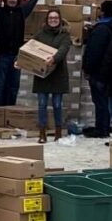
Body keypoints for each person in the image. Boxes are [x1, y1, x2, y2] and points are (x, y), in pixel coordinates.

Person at [31, 10, 72, 143]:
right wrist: (18, 60)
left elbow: (63, 50)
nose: (53, 20)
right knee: (42, 104)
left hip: (58, 75)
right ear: (47, 19)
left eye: (55, 18)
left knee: (57, 104)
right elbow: (28, 48)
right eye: (50, 17)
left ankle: (58, 132)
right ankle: (42, 133)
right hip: (42, 75)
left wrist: (53, 59)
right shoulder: (40, 34)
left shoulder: (64, 35)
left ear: (60, 19)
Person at [82, 0, 112, 138]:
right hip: (109, 70)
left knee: (100, 101)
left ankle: (102, 129)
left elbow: (94, 51)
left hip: (98, 72)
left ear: (102, 11)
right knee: (105, 101)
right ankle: (105, 126)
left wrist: (87, 69)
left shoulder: (101, 29)